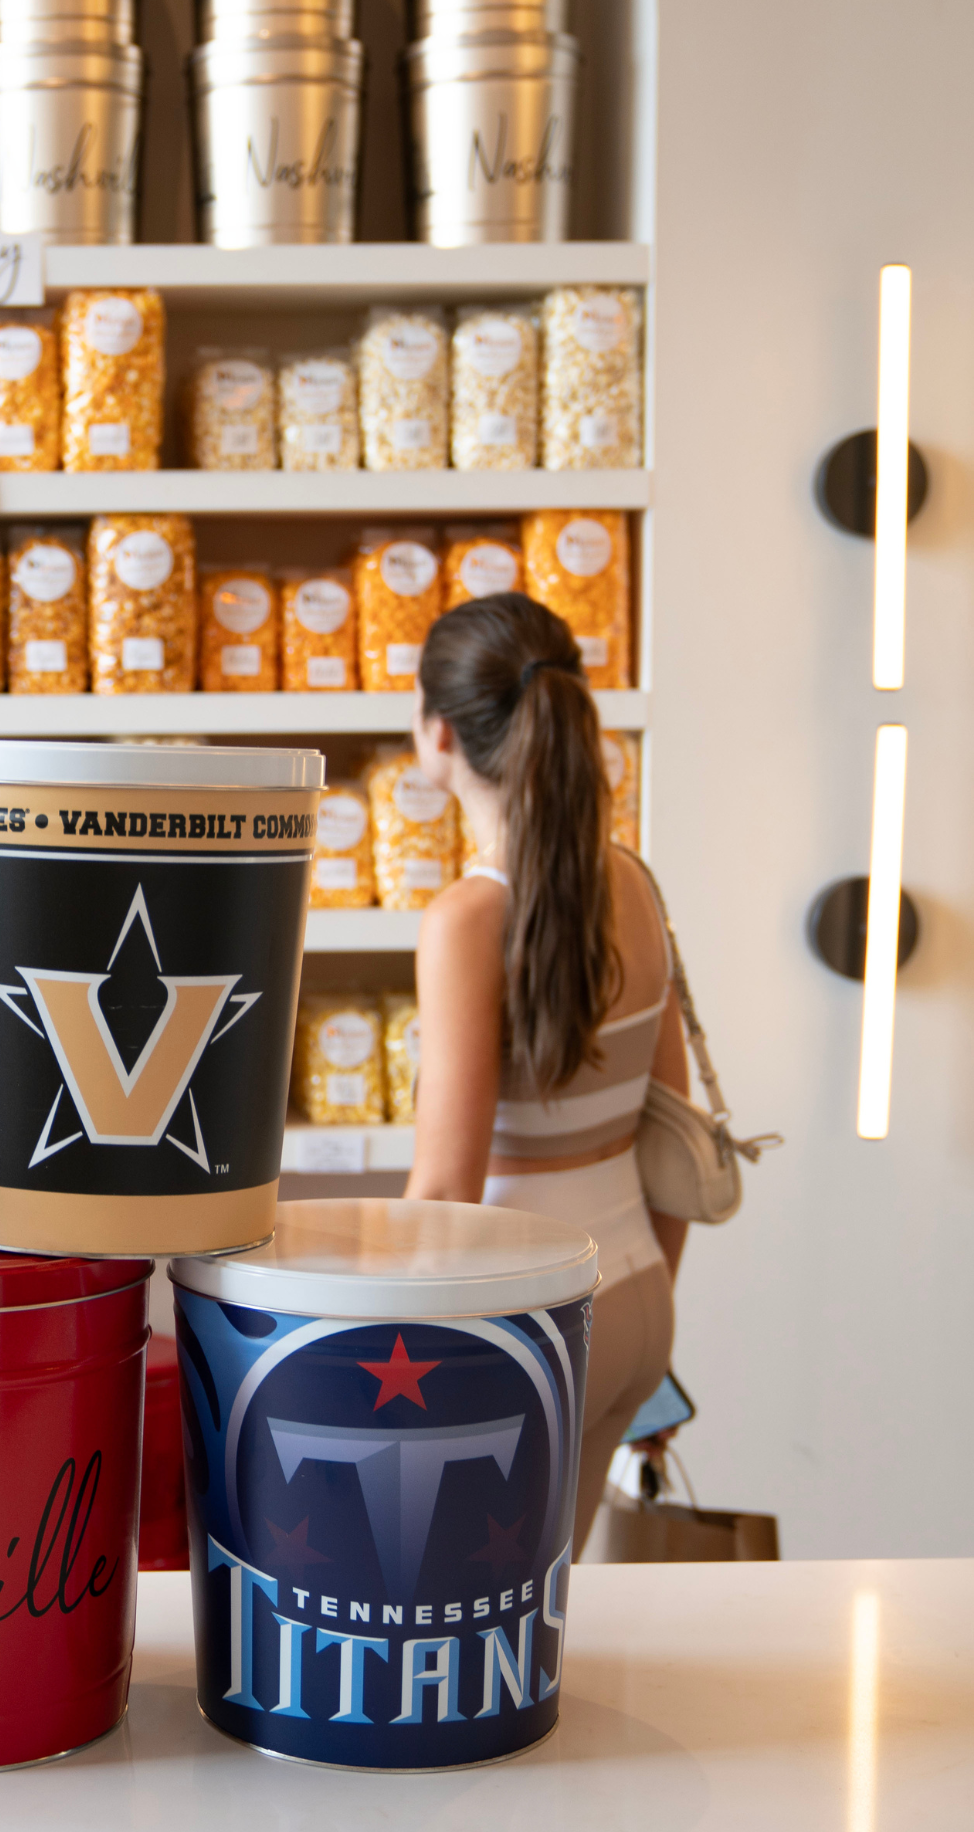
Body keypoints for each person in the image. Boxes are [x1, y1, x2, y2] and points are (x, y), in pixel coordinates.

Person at [401, 591, 689, 1551]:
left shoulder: (466, 923)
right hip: (639, 1299)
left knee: (482, 1618)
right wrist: (651, 1307)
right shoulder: (637, 883)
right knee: (555, 1607)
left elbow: (445, 1190)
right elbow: (672, 1132)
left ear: (438, 731)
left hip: (535, 1321)